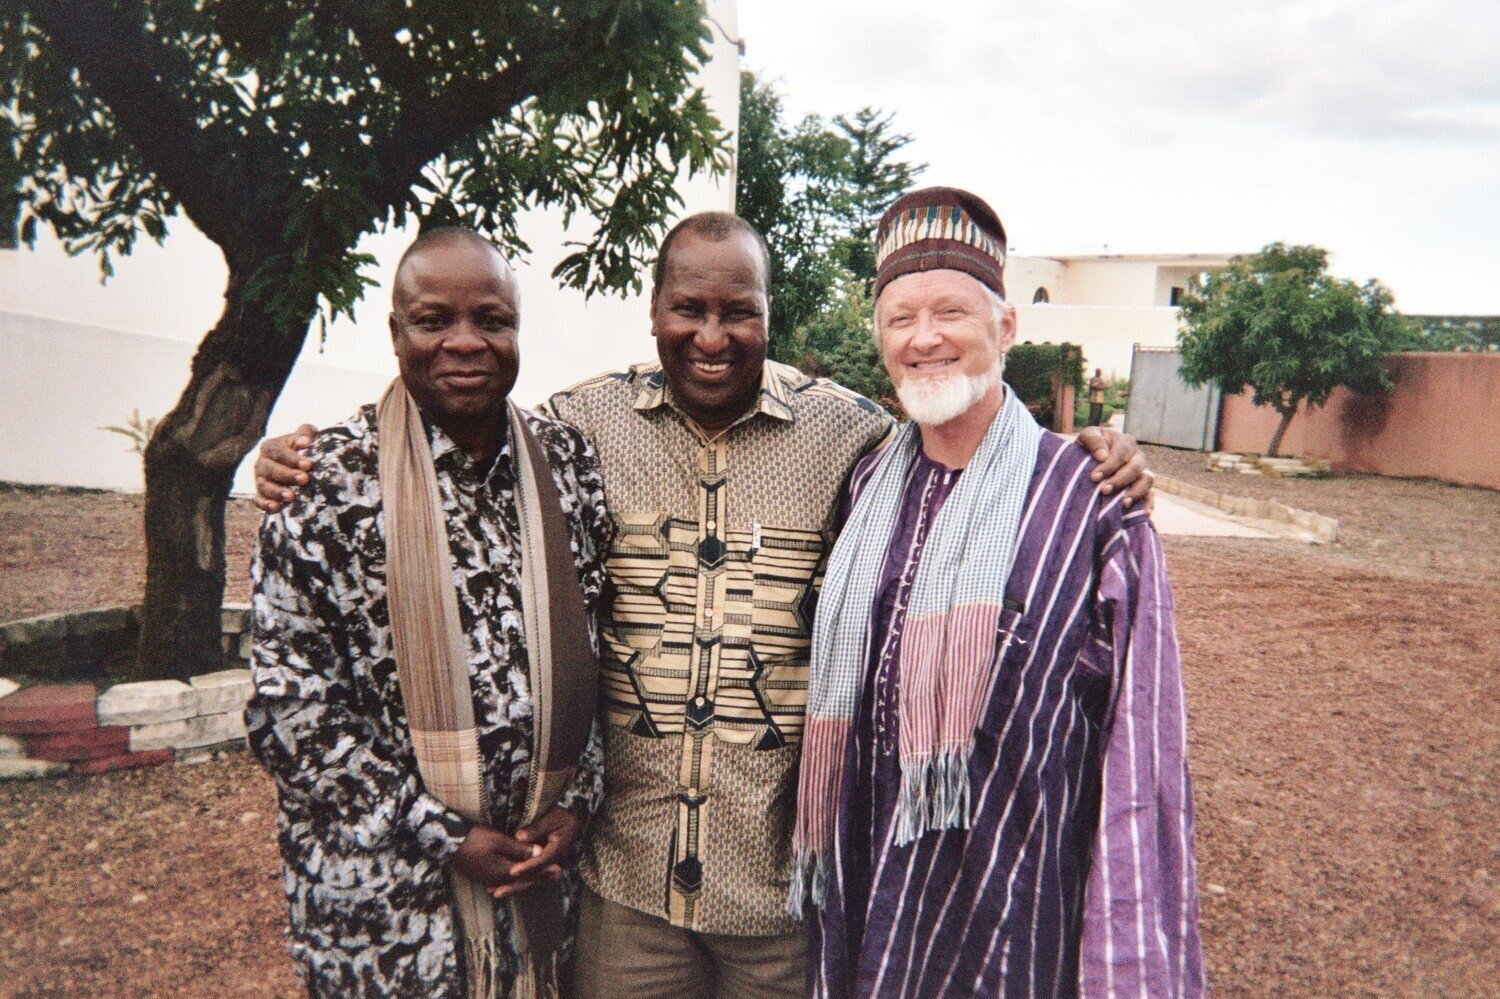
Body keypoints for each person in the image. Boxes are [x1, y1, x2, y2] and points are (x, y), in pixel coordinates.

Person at [253, 213, 1157, 997]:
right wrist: (299, 455)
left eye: (739, 311)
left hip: (777, 895)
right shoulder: (581, 429)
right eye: (688, 308)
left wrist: (1084, 452)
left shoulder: (851, 436)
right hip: (625, 890)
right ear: (653, 312)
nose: (711, 336)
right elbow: (454, 434)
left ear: (769, 313)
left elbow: (957, 449)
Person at [793, 188, 1202, 998]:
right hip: (862, 902)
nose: (925, 338)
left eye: (951, 311)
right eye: (901, 318)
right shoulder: (866, 486)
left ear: (1006, 327)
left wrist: (1127, 964)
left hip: (1007, 925)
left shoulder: (1091, 503)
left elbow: (1142, 760)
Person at [246, 228, 610, 997]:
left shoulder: (568, 466)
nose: (465, 342)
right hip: (390, 912)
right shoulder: (325, 486)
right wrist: (446, 833)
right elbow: (291, 715)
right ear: (395, 332)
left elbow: (603, 649)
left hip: (543, 887)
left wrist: (577, 800)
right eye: (434, 320)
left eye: (491, 320)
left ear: (517, 329)